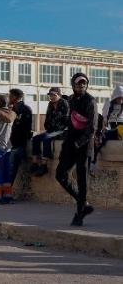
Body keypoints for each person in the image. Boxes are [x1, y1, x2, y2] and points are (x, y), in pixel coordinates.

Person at [56, 73, 98, 226]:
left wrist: (78, 143)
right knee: (60, 175)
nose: (81, 86)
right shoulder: (71, 100)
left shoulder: (90, 101)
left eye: (84, 84)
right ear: (73, 85)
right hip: (70, 143)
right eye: (78, 84)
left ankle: (79, 214)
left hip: (84, 145)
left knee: (82, 180)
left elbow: (92, 128)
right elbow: (70, 121)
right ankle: (84, 202)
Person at [29, 87, 70, 177]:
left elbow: (66, 120)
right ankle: (35, 163)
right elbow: (47, 119)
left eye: (53, 95)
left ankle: (44, 165)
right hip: (51, 130)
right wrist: (48, 128)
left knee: (46, 138)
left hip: (62, 131)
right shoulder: (50, 104)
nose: (51, 97)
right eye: (50, 95)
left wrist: (54, 130)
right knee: (36, 138)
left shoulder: (64, 103)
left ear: (59, 95)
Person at [8, 88, 33, 185]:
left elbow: (25, 128)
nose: (9, 98)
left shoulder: (25, 109)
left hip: (18, 144)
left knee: (10, 172)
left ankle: (6, 196)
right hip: (10, 144)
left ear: (15, 97)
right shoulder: (12, 109)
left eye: (10, 96)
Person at [94, 85, 123, 167]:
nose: (120, 99)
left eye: (122, 97)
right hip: (112, 130)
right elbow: (104, 121)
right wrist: (103, 129)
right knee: (100, 138)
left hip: (121, 130)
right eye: (119, 97)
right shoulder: (108, 105)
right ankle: (94, 160)